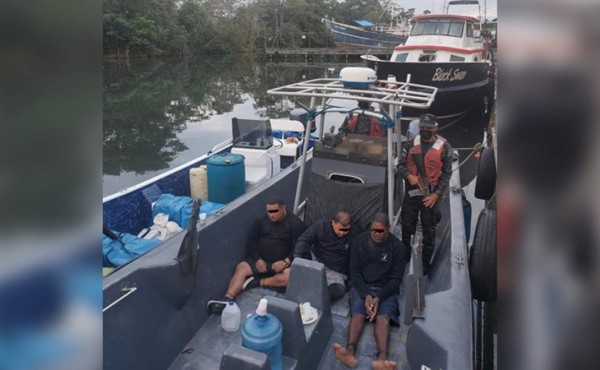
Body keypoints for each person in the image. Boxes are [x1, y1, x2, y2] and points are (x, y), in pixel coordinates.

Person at [332, 213, 407, 370]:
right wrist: (366, 294)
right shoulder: (359, 241)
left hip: (385, 289)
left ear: (388, 229)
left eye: (381, 231)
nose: (376, 234)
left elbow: (396, 280)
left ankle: (382, 359)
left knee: (383, 317)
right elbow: (355, 270)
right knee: (358, 313)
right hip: (362, 286)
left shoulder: (398, 248)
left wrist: (379, 297)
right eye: (374, 230)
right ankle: (349, 350)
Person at [207, 196, 305, 313]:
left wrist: (286, 261)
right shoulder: (261, 219)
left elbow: (299, 247)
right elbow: (251, 241)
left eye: (275, 211)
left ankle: (256, 282)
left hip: (280, 263)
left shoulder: (295, 223)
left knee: (290, 277)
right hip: (261, 260)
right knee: (241, 267)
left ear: (283, 208)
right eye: (269, 211)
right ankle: (227, 300)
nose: (271, 215)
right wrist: (257, 259)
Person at [398, 113, 453, 274]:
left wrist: (436, 195)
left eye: (428, 128)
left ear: (435, 128)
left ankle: (425, 265)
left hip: (431, 195)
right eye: (422, 128)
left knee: (429, 231)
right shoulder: (409, 144)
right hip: (413, 192)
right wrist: (409, 176)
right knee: (407, 227)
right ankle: (405, 257)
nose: (425, 130)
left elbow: (446, 174)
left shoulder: (444, 147)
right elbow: (400, 165)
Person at [293, 211, 360, 302]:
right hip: (316, 262)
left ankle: (316, 299)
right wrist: (297, 258)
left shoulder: (355, 235)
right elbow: (304, 239)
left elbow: (357, 259)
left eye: (346, 230)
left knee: (339, 291)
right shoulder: (320, 226)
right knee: (302, 250)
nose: (343, 233)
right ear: (333, 223)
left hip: (337, 272)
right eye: (340, 229)